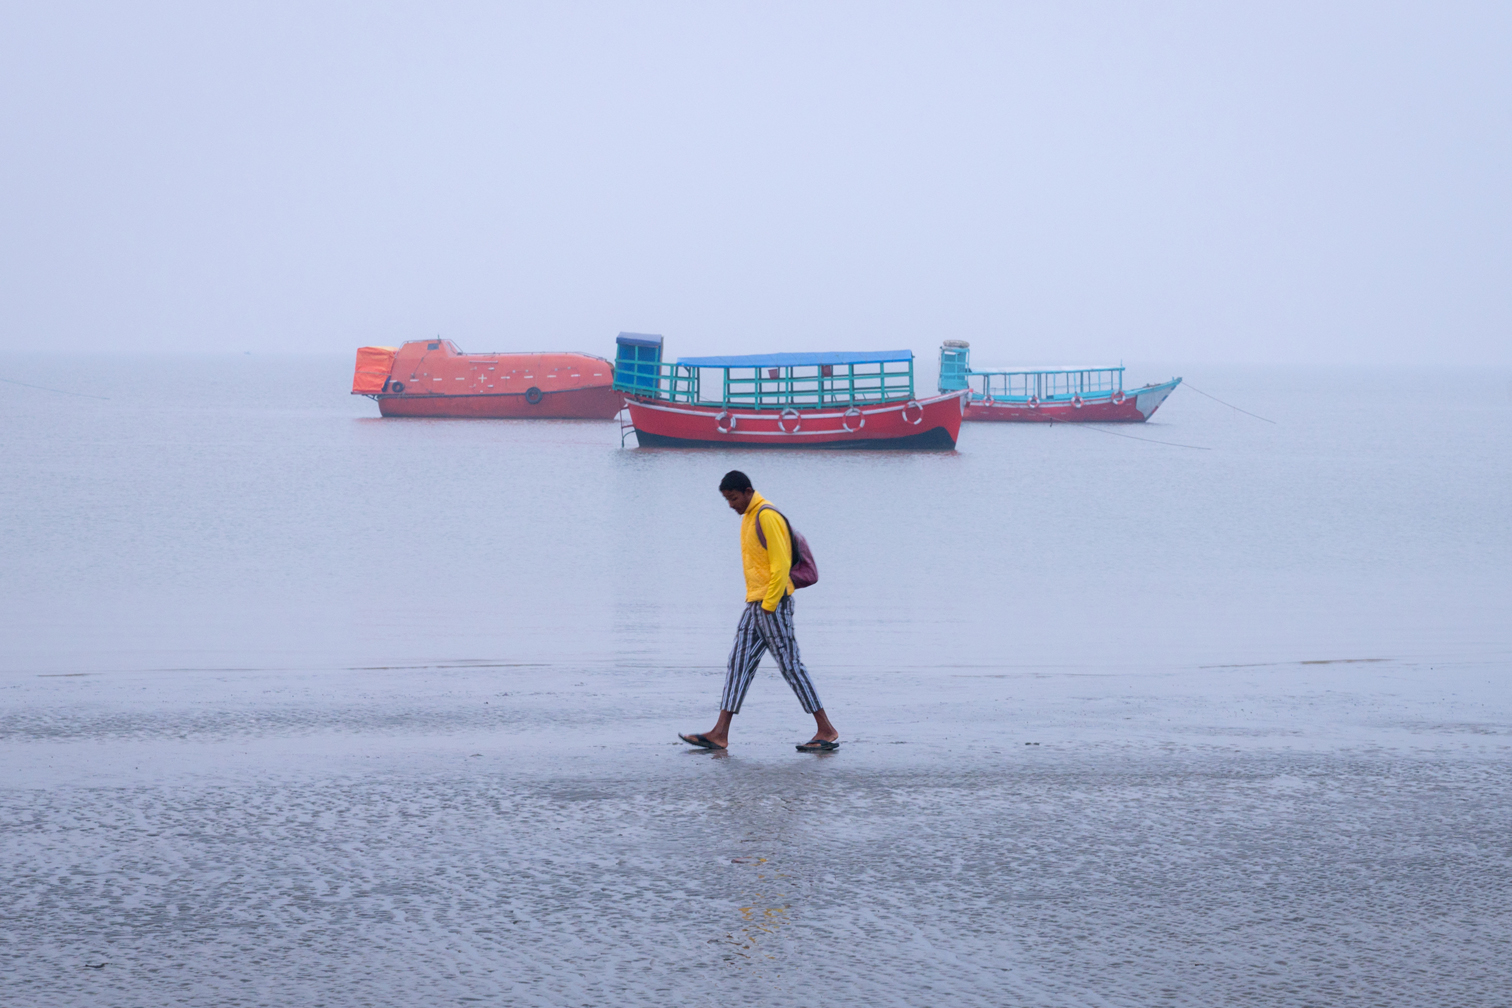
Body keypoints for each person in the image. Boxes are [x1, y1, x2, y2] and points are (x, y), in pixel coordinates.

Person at [680, 470, 840, 753]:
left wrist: (768, 606)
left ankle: (826, 729)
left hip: (772, 603)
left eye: (733, 498)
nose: (731, 505)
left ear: (747, 491)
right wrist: (758, 605)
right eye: (726, 500)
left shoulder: (767, 516)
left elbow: (780, 565)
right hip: (755, 604)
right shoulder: (749, 517)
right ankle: (720, 733)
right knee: (738, 663)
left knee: (791, 666)